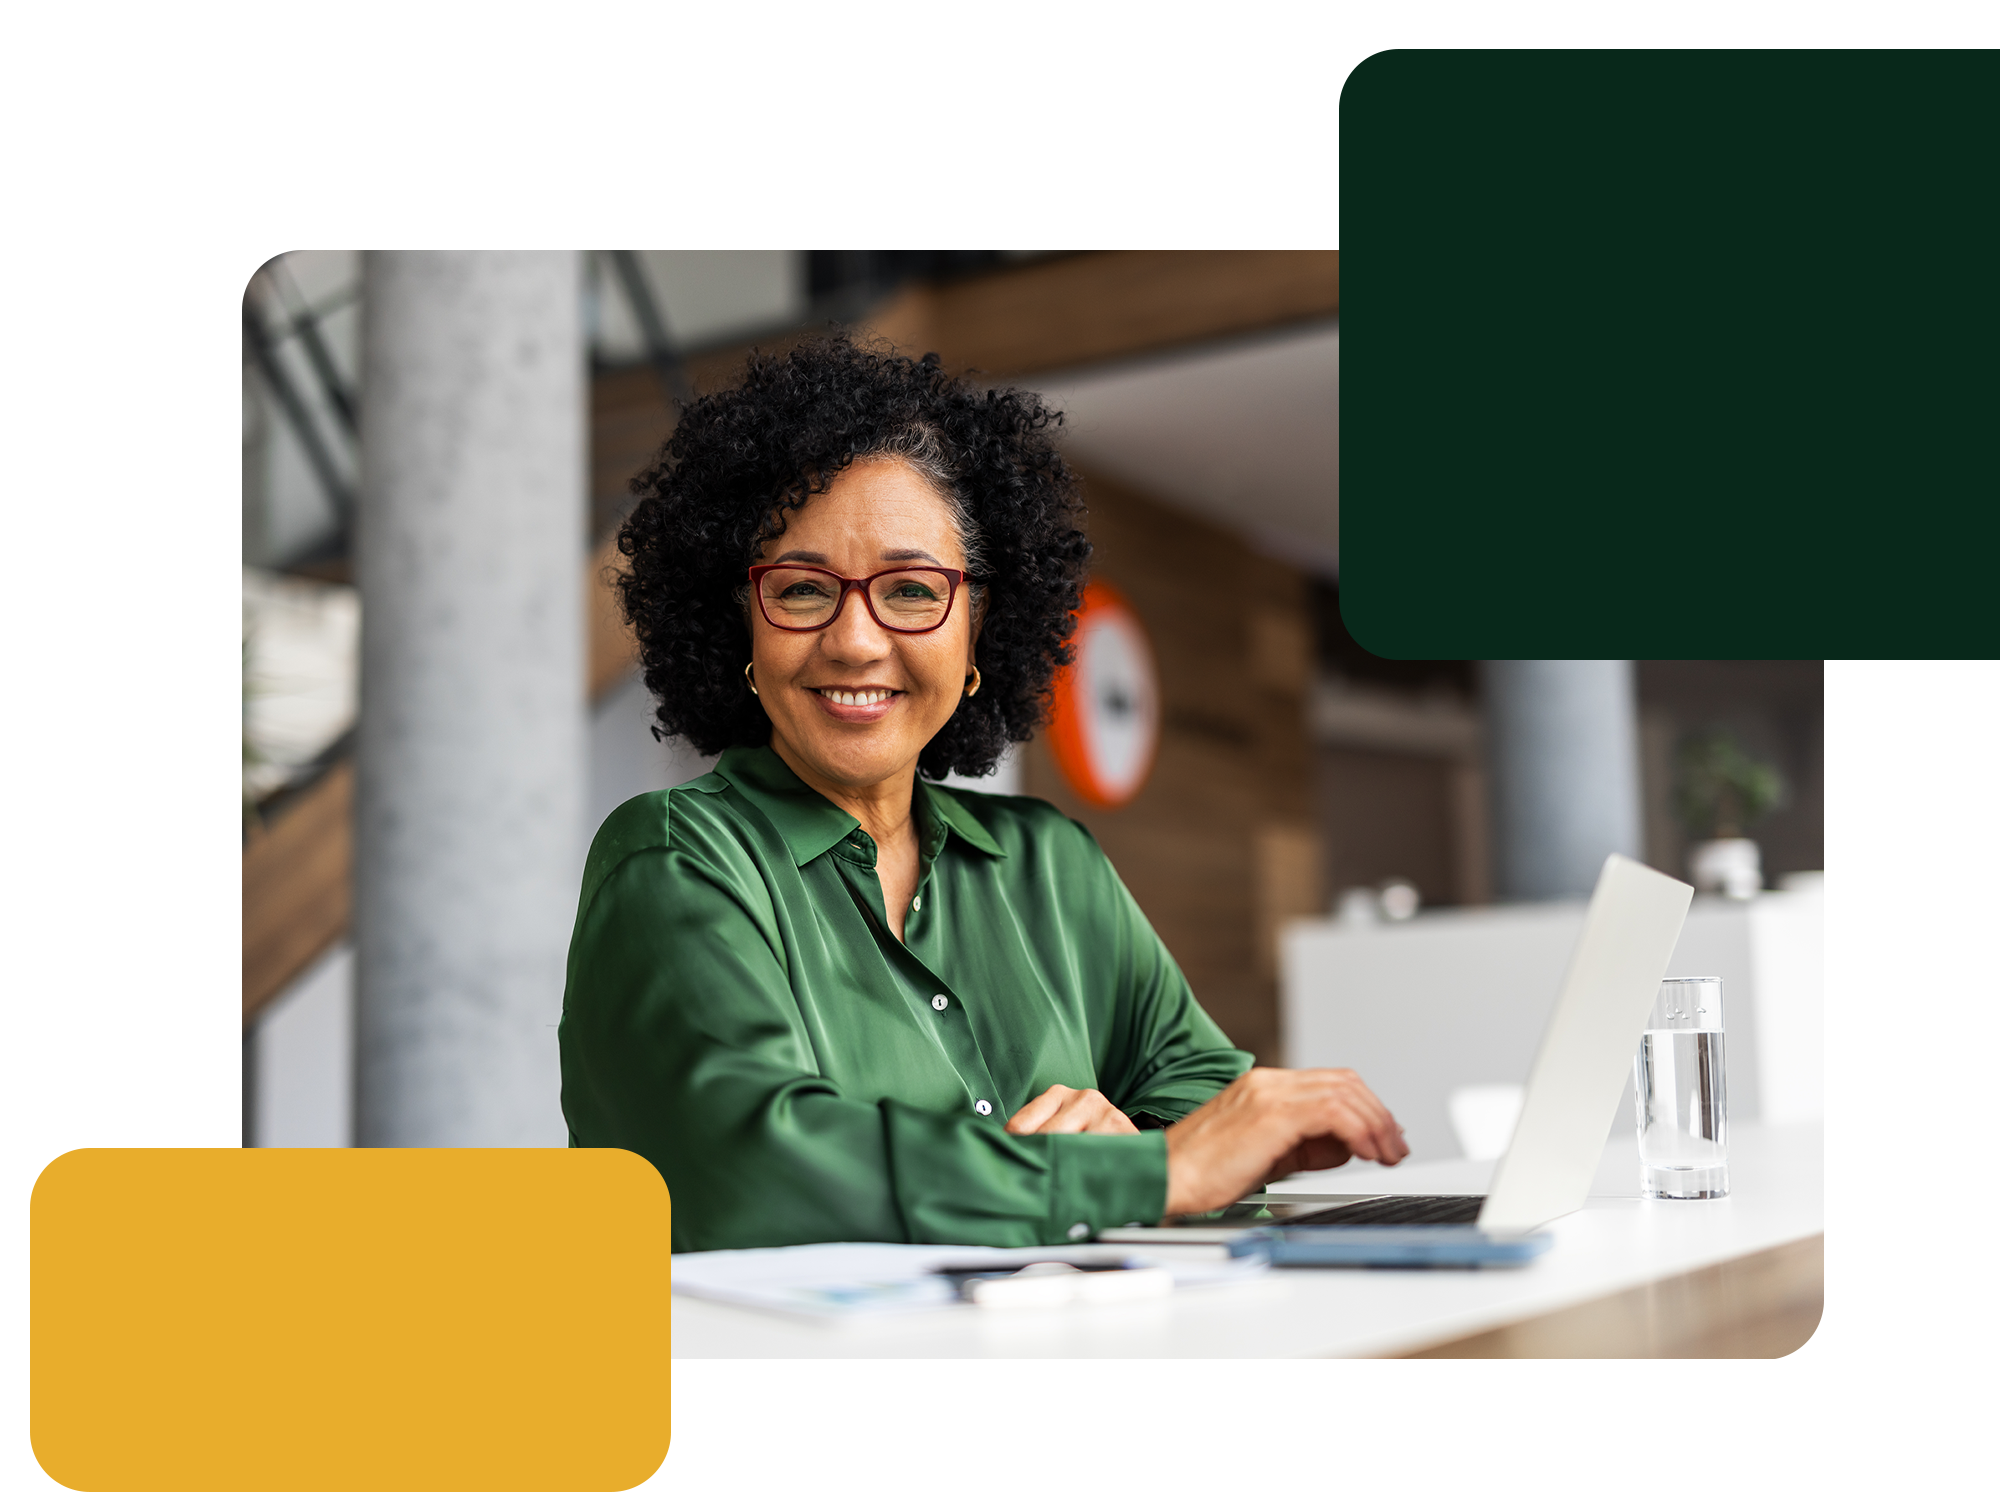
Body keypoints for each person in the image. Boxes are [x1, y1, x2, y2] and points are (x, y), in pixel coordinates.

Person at [560, 335, 1407, 1251]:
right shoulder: (677, 859)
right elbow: (752, 1163)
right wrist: (1140, 1175)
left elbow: (1197, 1087)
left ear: (977, 638)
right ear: (740, 632)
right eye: (803, 591)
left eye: (913, 591)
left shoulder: (1050, 863)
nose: (854, 641)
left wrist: (1137, 1144)